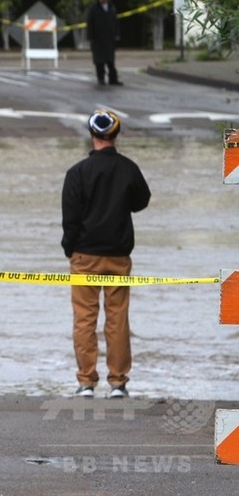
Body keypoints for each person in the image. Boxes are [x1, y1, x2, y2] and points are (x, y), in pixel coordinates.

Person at [61, 110, 150, 399]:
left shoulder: (77, 173)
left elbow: (70, 219)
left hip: (84, 255)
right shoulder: (128, 169)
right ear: (116, 134)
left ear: (92, 134)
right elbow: (141, 201)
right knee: (118, 318)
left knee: (84, 319)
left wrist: (69, 249)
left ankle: (86, 382)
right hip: (119, 256)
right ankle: (118, 383)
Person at [86, 0, 121, 86]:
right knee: (99, 61)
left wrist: (117, 34)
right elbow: (90, 23)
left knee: (111, 61)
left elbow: (115, 22)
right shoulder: (94, 8)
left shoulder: (111, 7)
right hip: (98, 39)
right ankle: (101, 78)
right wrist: (90, 37)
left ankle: (113, 79)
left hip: (109, 39)